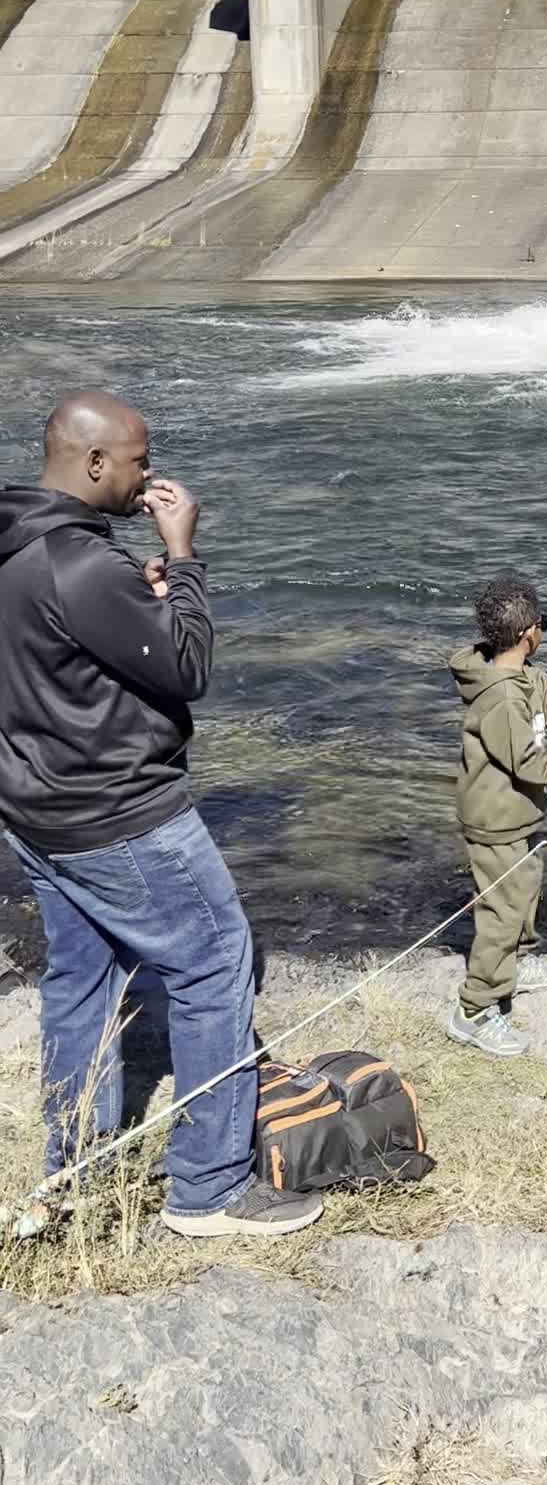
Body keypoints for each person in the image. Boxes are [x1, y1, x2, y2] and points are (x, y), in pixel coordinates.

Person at [0, 391, 321, 1239]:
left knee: (82, 985)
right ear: (95, 462)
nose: (149, 474)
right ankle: (210, 1190)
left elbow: (66, 653)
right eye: (139, 460)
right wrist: (182, 558)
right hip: (123, 816)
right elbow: (186, 667)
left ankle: (70, 1175)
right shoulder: (82, 565)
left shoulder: (20, 552)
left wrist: (137, 600)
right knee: (216, 966)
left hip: (37, 810)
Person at [447, 573, 547, 1058]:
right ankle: (474, 1010)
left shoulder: (526, 676)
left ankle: (516, 963)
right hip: (493, 821)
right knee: (501, 912)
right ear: (528, 633)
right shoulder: (498, 698)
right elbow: (530, 764)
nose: (543, 630)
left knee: (527, 889)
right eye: (544, 623)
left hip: (518, 817)